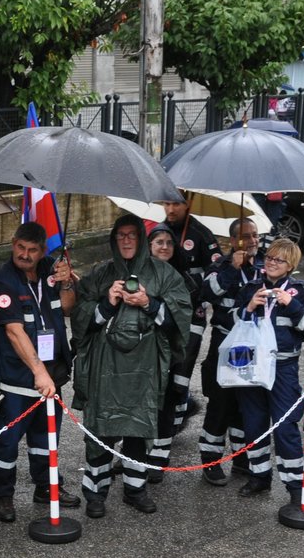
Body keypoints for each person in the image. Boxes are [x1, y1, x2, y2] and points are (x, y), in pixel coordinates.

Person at [72, 214, 191, 517]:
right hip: (104, 367)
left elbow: (180, 321)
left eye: (132, 235)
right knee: (102, 429)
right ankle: (96, 493)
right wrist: (106, 304)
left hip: (144, 367)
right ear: (114, 240)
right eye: (120, 235)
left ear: (140, 239)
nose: (126, 240)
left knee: (139, 428)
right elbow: (80, 319)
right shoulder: (100, 274)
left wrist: (148, 304)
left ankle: (135, 489)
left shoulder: (164, 274)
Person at [0, 222, 80, 521]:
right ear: (13, 243)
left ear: (42, 251)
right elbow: (14, 332)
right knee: (7, 441)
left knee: (46, 438)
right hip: (19, 378)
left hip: (53, 373)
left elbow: (66, 308)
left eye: (32, 250)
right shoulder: (4, 283)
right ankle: (1, 494)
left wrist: (67, 282)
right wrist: (39, 372)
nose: (24, 255)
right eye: (20, 247)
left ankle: (46, 487)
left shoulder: (52, 269)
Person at [231, 238, 304, 498]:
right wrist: (248, 308)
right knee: (254, 424)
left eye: (279, 259)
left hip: (283, 367)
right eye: (269, 257)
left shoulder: (300, 291)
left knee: (285, 427)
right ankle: (259, 476)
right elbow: (230, 323)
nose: (271, 263)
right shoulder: (251, 288)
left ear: (290, 265)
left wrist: (291, 305)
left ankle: (295, 487)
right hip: (251, 365)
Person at [198, 217, 267, 484]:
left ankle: (241, 457)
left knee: (244, 402)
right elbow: (207, 293)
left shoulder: (263, 266)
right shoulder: (219, 267)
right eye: (246, 236)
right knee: (221, 402)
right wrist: (231, 270)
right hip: (226, 343)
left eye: (255, 235)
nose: (252, 241)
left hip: (252, 345)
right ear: (232, 241)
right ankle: (212, 460)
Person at [157, 193, 222, 428]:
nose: (170, 209)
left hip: (193, 313)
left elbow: (217, 271)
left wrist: (198, 289)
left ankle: (177, 417)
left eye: (176, 204)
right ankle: (171, 411)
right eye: (167, 203)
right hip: (163, 313)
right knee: (163, 368)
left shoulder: (201, 235)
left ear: (188, 204)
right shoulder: (159, 232)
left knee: (182, 371)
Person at [142, 223, 198, 481]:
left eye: (168, 242)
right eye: (158, 242)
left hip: (172, 356)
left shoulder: (184, 279)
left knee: (165, 408)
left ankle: (159, 459)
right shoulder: (139, 274)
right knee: (142, 406)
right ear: (149, 246)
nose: (164, 247)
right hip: (143, 354)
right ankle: (137, 457)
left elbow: (184, 324)